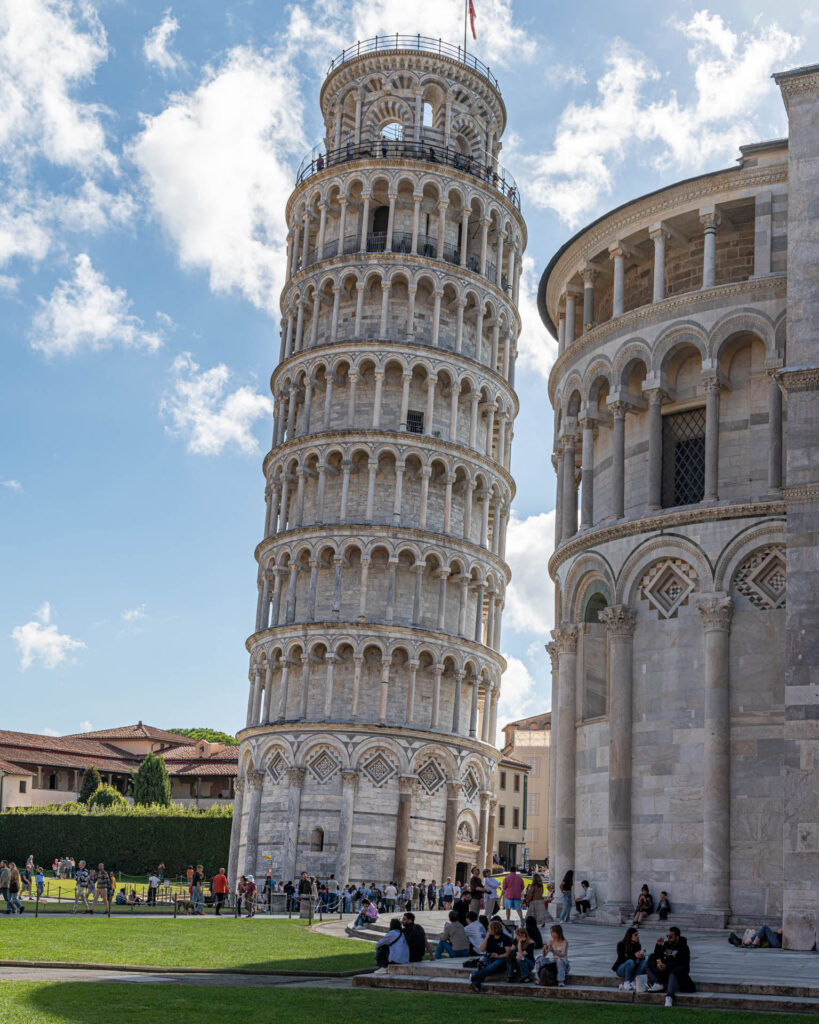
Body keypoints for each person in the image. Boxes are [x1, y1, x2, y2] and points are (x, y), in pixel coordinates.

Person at [646, 926, 696, 1007]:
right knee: (648, 964)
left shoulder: (683, 947)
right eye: (667, 936)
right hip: (665, 970)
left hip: (677, 972)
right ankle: (658, 983)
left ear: (677, 937)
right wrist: (658, 946)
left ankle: (669, 996)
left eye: (671, 937)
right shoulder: (666, 944)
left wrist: (666, 966)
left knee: (674, 972)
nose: (668, 938)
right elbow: (658, 956)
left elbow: (680, 963)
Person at [470, 920, 514, 991]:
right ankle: (476, 983)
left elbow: (509, 953)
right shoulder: (489, 937)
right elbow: (482, 949)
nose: (488, 930)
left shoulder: (505, 938)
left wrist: (499, 956)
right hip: (488, 956)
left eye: (489, 929)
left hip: (501, 957)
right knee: (482, 964)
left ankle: (474, 975)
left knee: (492, 966)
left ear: (495, 929)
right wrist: (486, 938)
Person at [612, 925, 649, 990]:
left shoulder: (637, 945)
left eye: (638, 934)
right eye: (635, 935)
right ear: (630, 936)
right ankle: (626, 982)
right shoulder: (621, 944)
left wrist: (641, 956)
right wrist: (634, 956)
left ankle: (633, 981)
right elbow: (621, 958)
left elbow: (638, 960)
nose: (638, 936)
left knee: (644, 961)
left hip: (633, 968)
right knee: (630, 962)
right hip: (621, 969)